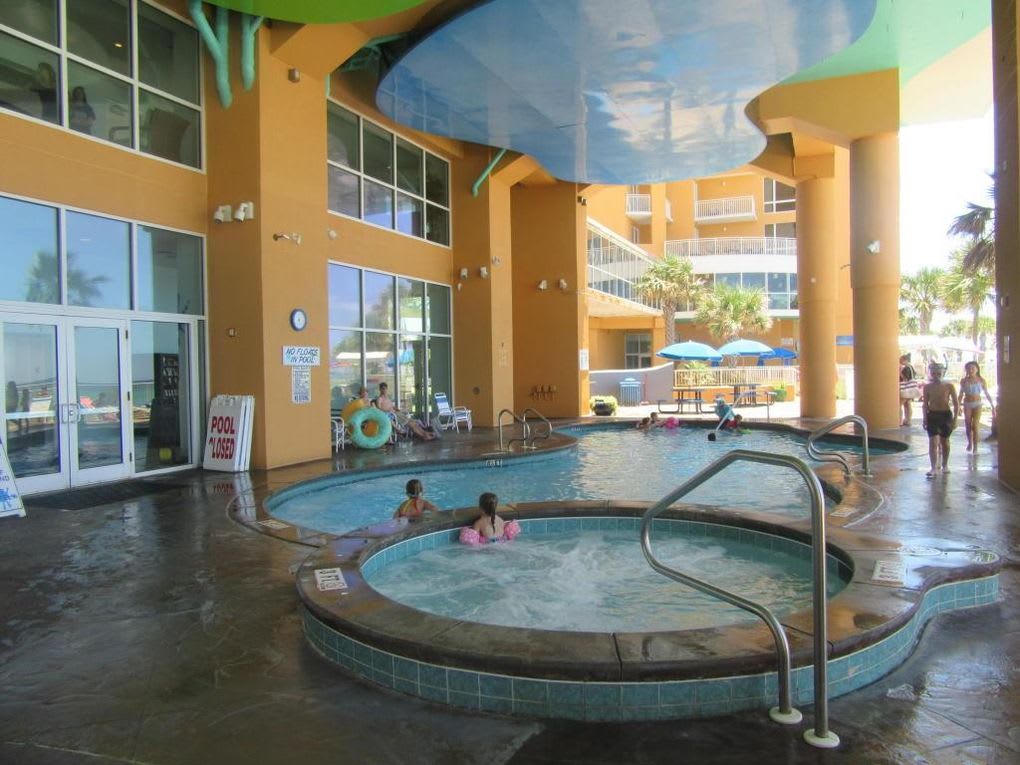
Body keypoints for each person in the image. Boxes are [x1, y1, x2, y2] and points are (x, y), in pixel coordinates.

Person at [921, 363, 960, 478]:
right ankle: (933, 467)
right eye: (933, 373)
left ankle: (945, 464)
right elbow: (925, 404)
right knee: (933, 442)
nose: (936, 376)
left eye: (938, 373)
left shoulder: (949, 386)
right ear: (930, 374)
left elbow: (956, 404)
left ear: (943, 373)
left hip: (945, 415)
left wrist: (955, 419)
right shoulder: (927, 387)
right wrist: (925, 419)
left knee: (945, 442)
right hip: (932, 415)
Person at [958, 361, 996, 453]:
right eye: (968, 368)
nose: (970, 370)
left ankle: (975, 446)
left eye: (973, 368)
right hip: (967, 404)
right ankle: (970, 443)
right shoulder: (964, 381)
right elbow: (960, 394)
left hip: (977, 404)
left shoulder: (981, 380)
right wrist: (958, 406)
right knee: (968, 425)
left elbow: (986, 393)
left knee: (975, 425)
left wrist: (992, 406)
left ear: (977, 369)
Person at [899, 353, 919, 426]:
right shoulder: (911, 367)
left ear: (905, 360)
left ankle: (899, 420)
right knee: (908, 404)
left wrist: (900, 372)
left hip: (906, 390)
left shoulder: (905, 368)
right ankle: (908, 420)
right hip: (912, 389)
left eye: (900, 360)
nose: (899, 361)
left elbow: (905, 379)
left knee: (899, 405)